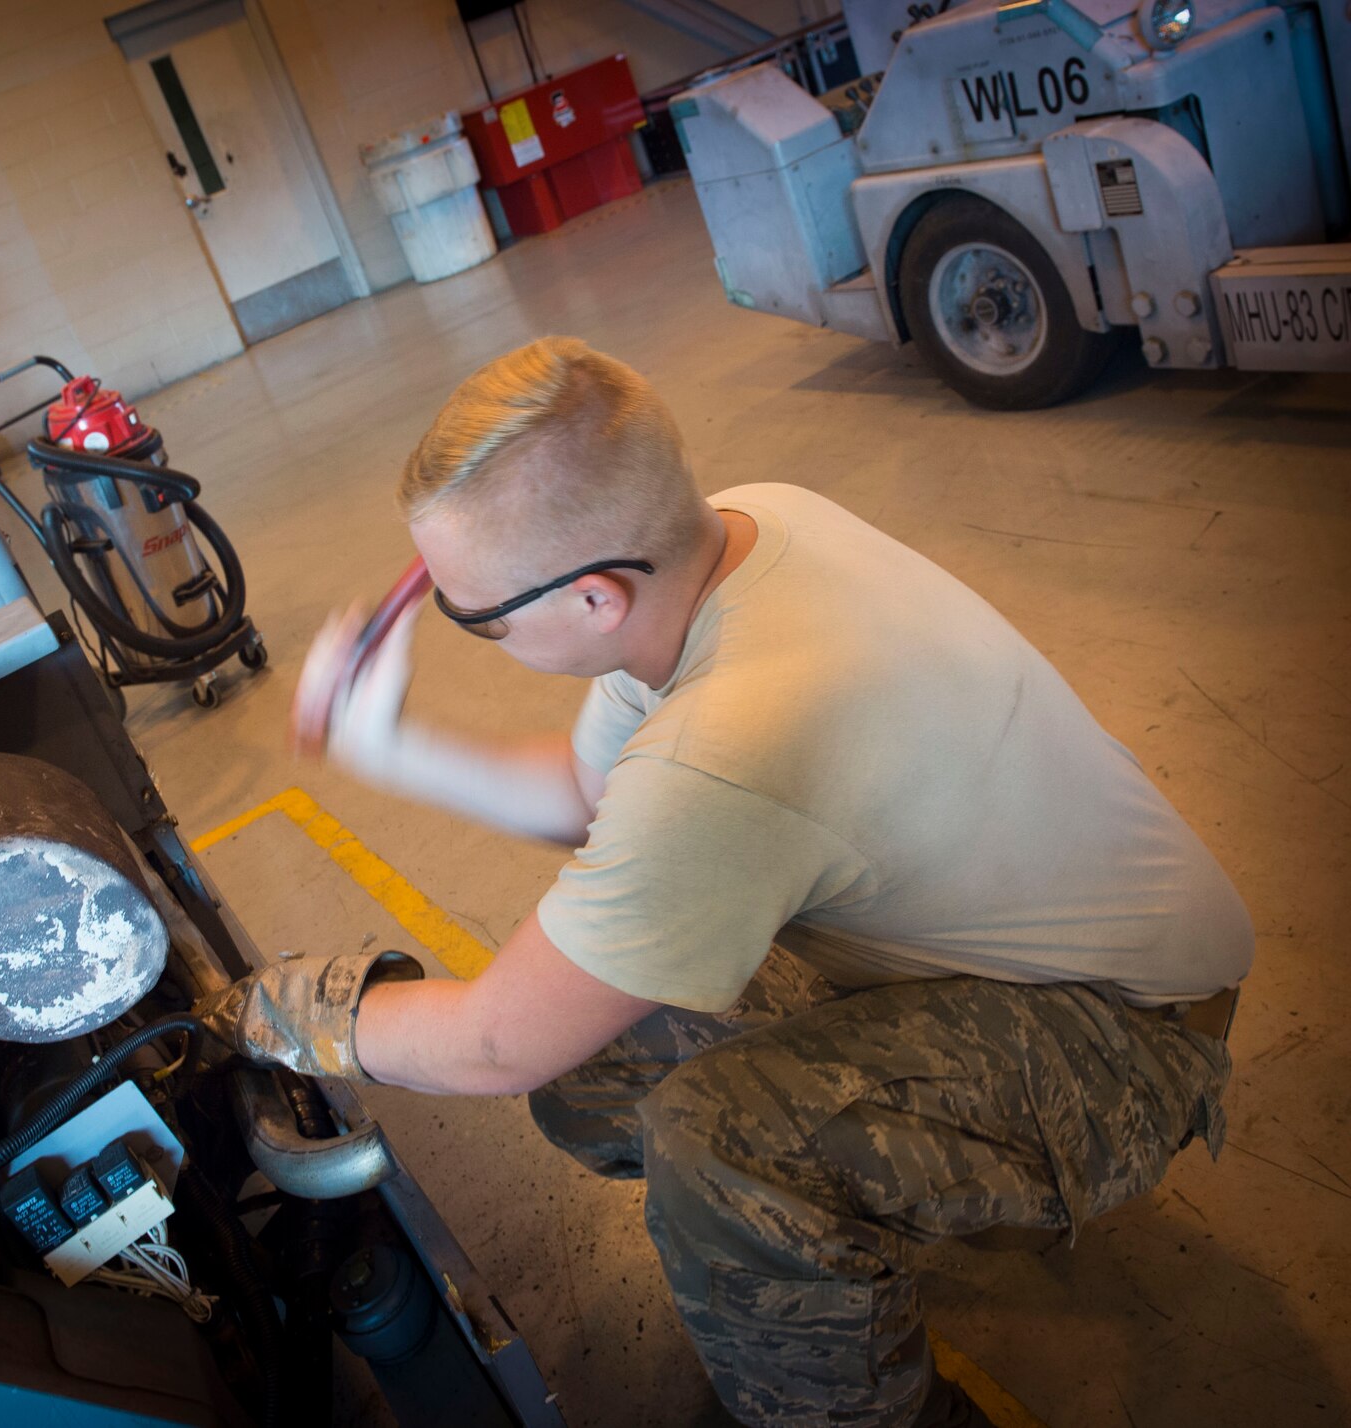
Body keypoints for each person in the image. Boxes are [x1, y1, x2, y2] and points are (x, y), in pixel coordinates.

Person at [196, 337, 1252, 1428]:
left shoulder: (729, 745)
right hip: (1014, 949)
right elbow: (584, 792)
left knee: (716, 1147)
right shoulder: (735, 527)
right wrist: (389, 745)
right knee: (601, 1065)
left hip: (1130, 1040)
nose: (474, 632)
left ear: (596, 599)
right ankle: (826, 1244)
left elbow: (495, 1044)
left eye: (477, 616)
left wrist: (277, 1012)